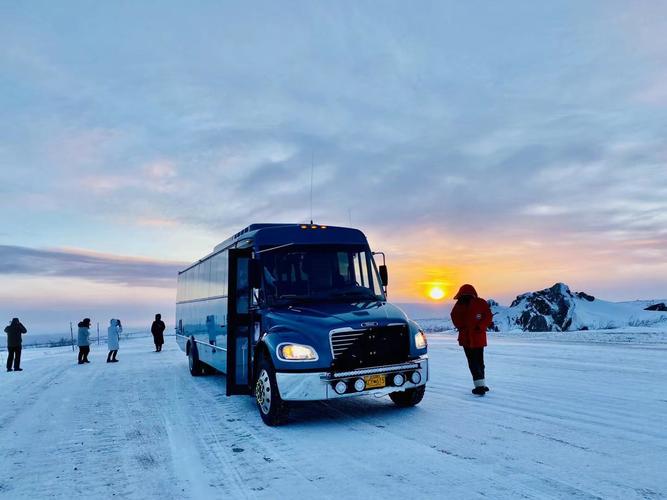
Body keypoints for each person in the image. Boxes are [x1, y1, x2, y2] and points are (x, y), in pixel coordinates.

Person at [450, 284, 493, 395]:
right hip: (477, 338)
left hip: (468, 339)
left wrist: (463, 328)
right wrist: (480, 327)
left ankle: (480, 386)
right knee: (479, 361)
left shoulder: (459, 304)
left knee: (473, 362)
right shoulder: (480, 303)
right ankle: (481, 384)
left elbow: (454, 317)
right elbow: (488, 316)